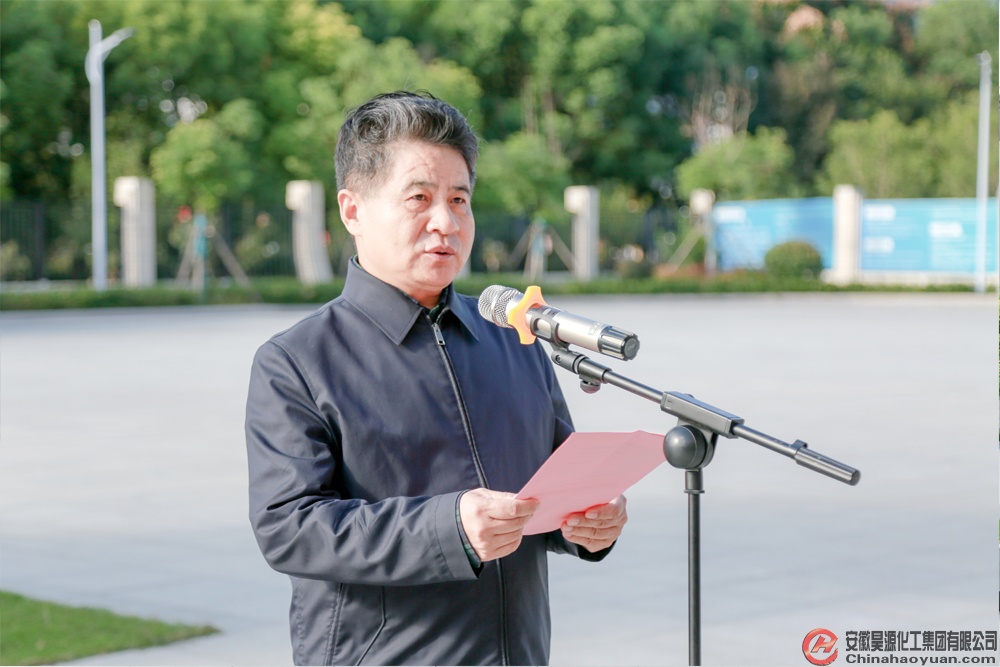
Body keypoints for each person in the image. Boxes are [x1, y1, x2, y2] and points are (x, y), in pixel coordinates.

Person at [245, 90, 628, 666]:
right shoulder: (296, 361)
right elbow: (290, 528)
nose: (445, 223)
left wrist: (588, 521)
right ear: (353, 210)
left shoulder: (511, 335)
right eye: (419, 198)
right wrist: (449, 529)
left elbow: (551, 487)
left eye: (459, 199)